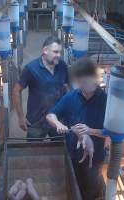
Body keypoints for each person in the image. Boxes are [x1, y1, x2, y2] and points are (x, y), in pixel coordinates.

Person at [46, 58, 107, 199]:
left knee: (90, 190)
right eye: (80, 81)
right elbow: (50, 115)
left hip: (94, 159)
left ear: (95, 79)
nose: (83, 84)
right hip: (72, 155)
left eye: (86, 80)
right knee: (73, 186)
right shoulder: (71, 97)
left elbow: (112, 133)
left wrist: (90, 131)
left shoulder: (105, 101)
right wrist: (58, 124)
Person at [12, 36, 69, 140]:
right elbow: (16, 91)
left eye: (60, 52)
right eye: (56, 52)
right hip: (36, 121)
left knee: (59, 148)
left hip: (57, 119)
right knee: (32, 150)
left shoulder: (62, 66)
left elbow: (66, 88)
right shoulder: (31, 68)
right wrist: (20, 117)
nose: (59, 55)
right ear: (45, 50)